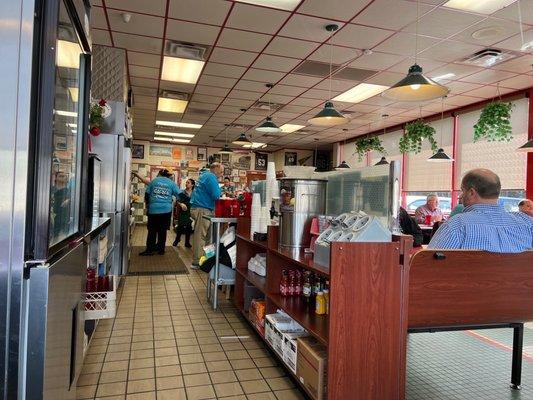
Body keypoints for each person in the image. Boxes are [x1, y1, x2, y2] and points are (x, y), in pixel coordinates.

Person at [429, 168, 533, 252]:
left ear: (471, 192)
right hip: (520, 278)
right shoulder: (527, 223)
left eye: (462, 190)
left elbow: (428, 266)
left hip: (471, 278)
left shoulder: (457, 225)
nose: (460, 196)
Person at [139, 169, 180, 256]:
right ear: (167, 175)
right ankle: (161, 250)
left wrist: (147, 206)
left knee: (152, 230)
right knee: (163, 230)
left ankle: (150, 250)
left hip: (153, 210)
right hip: (166, 210)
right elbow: (179, 195)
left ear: (159, 174)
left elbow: (147, 194)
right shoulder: (171, 183)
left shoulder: (154, 181)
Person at [190, 162, 223, 268]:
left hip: (201, 208)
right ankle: (197, 262)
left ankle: (206, 259)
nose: (222, 174)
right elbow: (216, 195)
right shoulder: (211, 177)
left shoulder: (204, 175)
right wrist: (220, 190)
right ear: (216, 169)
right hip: (203, 209)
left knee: (208, 236)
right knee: (201, 236)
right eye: (221, 172)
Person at [173, 178, 195, 248]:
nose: (186, 184)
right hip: (183, 211)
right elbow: (178, 200)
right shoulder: (182, 192)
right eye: (186, 182)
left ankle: (187, 242)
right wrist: (181, 204)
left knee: (189, 227)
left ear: (192, 185)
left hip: (191, 211)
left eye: (188, 183)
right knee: (180, 226)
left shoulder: (195, 193)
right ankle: (177, 239)